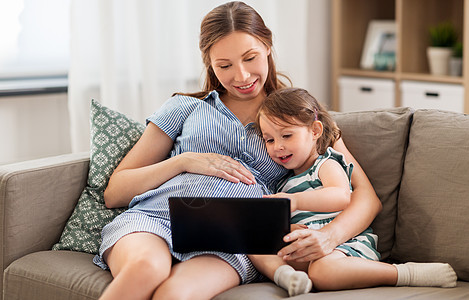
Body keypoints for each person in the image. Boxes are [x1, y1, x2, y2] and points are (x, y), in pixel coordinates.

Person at [95, 2, 383, 299]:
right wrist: (184, 162)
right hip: (155, 218)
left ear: (268, 46)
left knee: (176, 294)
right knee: (147, 268)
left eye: (250, 58)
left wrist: (329, 236)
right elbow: (115, 191)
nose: (242, 76)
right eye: (225, 65)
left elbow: (366, 198)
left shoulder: (299, 117)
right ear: (209, 62)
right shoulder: (184, 107)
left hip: (237, 238)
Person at [249, 87, 458, 296]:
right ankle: (286, 276)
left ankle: (404, 273)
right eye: (270, 140)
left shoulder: (325, 165)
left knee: (323, 271)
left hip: (346, 245)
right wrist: (288, 227)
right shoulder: (284, 183)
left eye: (286, 135)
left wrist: (294, 201)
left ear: (315, 131)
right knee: (254, 242)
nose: (278, 146)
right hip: (309, 249)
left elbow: (341, 197)